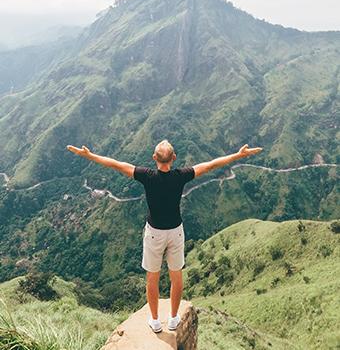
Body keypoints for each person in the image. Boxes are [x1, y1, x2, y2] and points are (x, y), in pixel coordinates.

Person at [67, 140, 262, 333]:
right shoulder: (180, 176)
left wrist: (89, 155)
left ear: (154, 158)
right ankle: (174, 318)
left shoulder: (147, 176)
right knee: (176, 276)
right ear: (174, 158)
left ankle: (154, 320)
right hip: (176, 232)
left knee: (152, 278)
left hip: (154, 234)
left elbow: (116, 164)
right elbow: (211, 165)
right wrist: (238, 155)